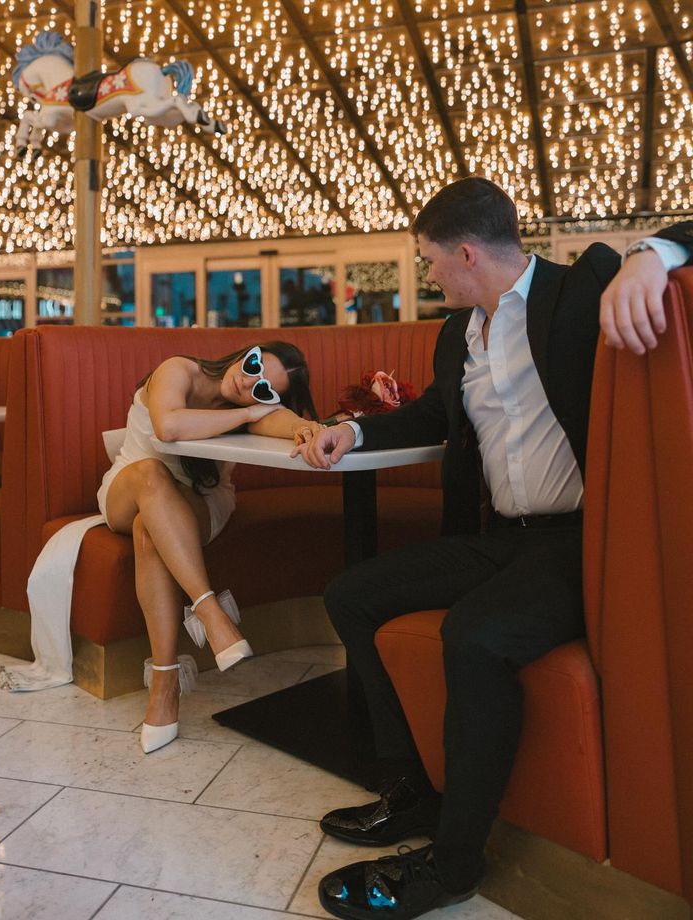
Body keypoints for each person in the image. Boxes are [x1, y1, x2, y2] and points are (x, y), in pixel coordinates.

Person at [292, 177, 693, 920]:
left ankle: (453, 864)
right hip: (499, 538)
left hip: (581, 542)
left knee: (473, 637)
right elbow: (437, 414)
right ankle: (411, 790)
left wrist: (653, 257)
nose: (429, 274)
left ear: (467, 253)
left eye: (431, 261)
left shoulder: (583, 289)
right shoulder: (457, 334)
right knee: (351, 593)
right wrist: (356, 432)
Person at [99, 341, 319, 754]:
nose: (250, 382)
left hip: (200, 504)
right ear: (245, 351)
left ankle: (164, 685)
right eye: (254, 365)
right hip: (128, 488)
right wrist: (250, 412)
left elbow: (284, 422)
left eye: (264, 391)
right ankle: (209, 610)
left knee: (153, 527)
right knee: (151, 475)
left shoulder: (253, 408)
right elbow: (168, 427)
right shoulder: (179, 370)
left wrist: (302, 426)